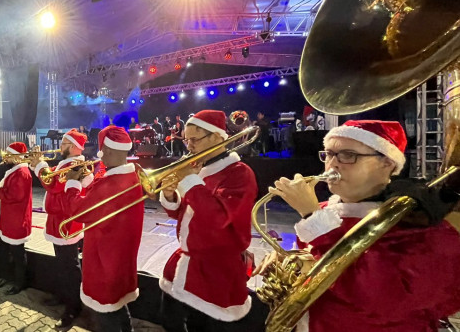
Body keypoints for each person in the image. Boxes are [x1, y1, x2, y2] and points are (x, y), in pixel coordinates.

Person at [258, 120, 460, 332]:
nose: (332, 164)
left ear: (387, 163)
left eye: (347, 155)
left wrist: (313, 217)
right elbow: (317, 263)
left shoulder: (420, 224)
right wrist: (292, 259)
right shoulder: (327, 209)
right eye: (328, 154)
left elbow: (383, 299)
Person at [158, 110, 266, 331]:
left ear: (217, 137)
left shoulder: (239, 174)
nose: (189, 146)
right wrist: (171, 197)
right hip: (188, 263)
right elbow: (187, 215)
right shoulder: (199, 169)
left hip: (216, 273)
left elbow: (219, 219)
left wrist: (188, 181)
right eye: (187, 139)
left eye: (194, 139)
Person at [63, 126, 143, 331]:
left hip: (103, 263)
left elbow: (79, 213)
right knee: (118, 308)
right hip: (119, 260)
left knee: (106, 316)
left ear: (106, 150)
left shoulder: (110, 185)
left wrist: (72, 184)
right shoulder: (130, 177)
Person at [31, 129, 93, 329]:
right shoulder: (65, 164)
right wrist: (40, 166)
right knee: (63, 264)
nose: (60, 146)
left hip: (67, 221)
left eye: (65, 143)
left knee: (70, 267)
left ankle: (73, 307)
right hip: (58, 220)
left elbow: (53, 185)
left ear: (74, 147)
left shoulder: (74, 165)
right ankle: (64, 295)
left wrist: (39, 165)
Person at [0, 142, 33, 295]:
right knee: (4, 252)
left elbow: (15, 196)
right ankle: (6, 276)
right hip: (8, 219)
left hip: (16, 220)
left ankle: (20, 282)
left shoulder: (22, 173)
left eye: (8, 156)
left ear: (16, 157)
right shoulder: (14, 171)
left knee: (17, 254)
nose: (5, 159)